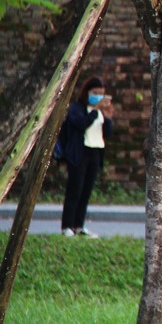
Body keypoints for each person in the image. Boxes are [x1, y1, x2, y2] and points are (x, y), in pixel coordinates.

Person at [60, 75, 114, 238]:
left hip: (95, 152)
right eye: (95, 93)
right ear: (87, 92)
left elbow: (107, 133)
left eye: (101, 93)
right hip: (80, 153)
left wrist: (108, 118)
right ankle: (67, 226)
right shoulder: (77, 108)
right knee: (74, 190)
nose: (98, 96)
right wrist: (95, 111)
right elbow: (80, 124)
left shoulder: (100, 111)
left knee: (86, 191)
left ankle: (79, 225)